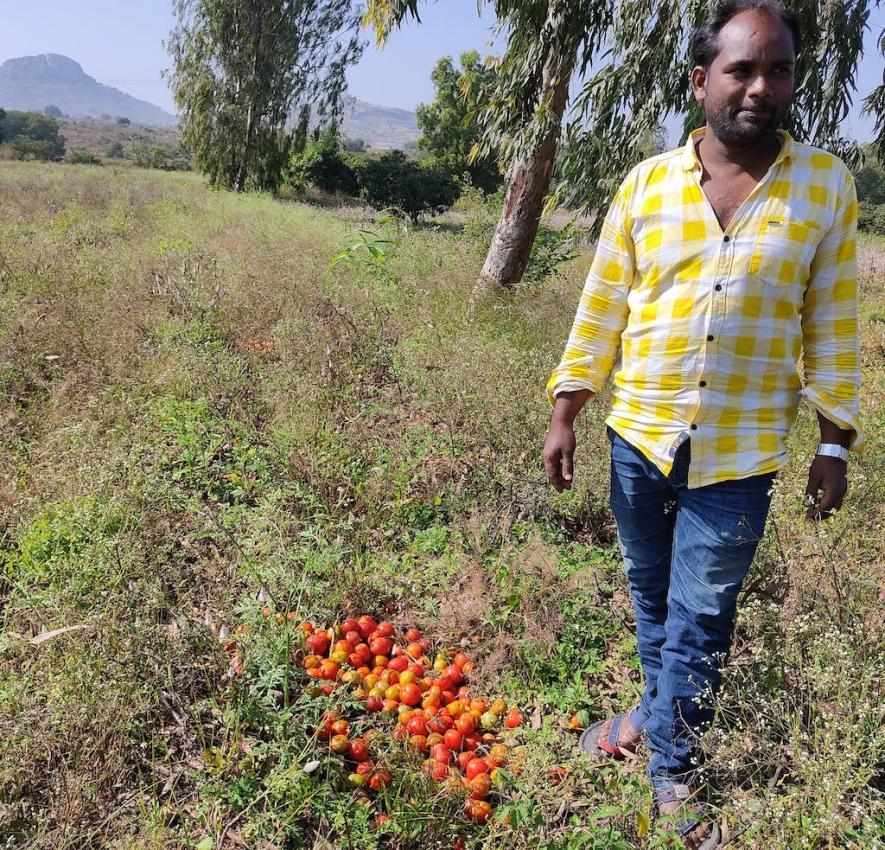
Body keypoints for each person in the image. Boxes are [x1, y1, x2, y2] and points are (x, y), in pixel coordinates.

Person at [542, 1, 862, 847]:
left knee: (702, 611)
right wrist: (567, 406)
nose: (762, 86)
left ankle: (672, 772)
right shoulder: (645, 185)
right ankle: (656, 714)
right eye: (741, 69)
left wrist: (833, 439)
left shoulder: (824, 185)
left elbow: (830, 322)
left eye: (779, 70)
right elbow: (603, 303)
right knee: (652, 596)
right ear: (699, 81)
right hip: (639, 435)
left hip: (741, 450)